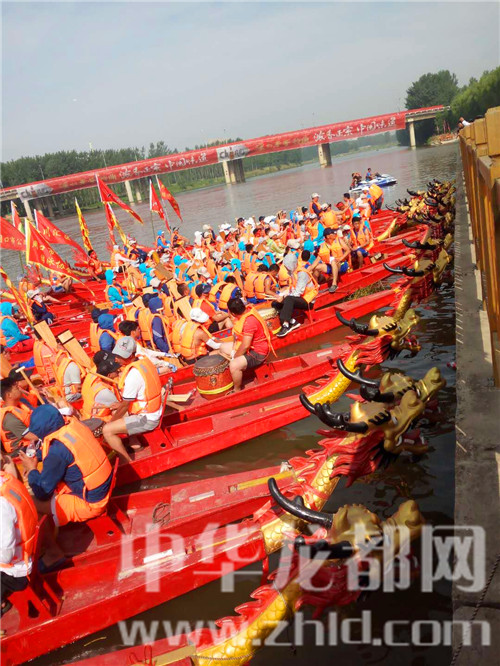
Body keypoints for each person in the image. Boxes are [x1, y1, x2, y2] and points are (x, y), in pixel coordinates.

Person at [18, 405, 113, 535]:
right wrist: (37, 458)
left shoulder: (57, 452)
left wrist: (32, 470)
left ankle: (52, 546)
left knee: (29, 503)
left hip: (93, 502)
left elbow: (43, 493)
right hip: (105, 485)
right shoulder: (74, 427)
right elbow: (58, 452)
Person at [102, 337, 164, 462]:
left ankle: (127, 463)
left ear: (131, 355)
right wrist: (119, 407)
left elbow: (125, 406)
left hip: (147, 419)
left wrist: (111, 422)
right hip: (153, 410)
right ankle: (135, 444)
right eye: (116, 355)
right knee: (117, 411)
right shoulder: (144, 362)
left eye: (120, 356)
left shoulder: (133, 375)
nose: (116, 359)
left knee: (107, 430)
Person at [0, 461, 38, 616]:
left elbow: (5, 555)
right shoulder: (7, 481)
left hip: (16, 572)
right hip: (25, 555)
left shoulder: (1, 505)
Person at [220, 298, 272, 391]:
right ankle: (237, 372)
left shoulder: (249, 322)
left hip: (258, 352)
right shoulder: (245, 313)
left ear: (233, 313)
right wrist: (234, 350)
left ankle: (237, 389)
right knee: (222, 348)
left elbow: (246, 345)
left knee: (234, 365)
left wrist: (235, 357)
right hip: (249, 347)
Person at [273, 253, 319, 337]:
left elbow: (298, 292)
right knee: (275, 303)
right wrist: (281, 295)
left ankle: (286, 325)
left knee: (288, 299)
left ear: (291, 265)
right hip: (299, 297)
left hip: (308, 300)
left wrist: (284, 297)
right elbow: (292, 289)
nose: (286, 268)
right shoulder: (292, 272)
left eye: (287, 266)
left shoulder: (302, 273)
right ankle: (292, 322)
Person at [0, 377, 38, 454]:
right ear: (9, 395)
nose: (20, 389)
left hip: (32, 441)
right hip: (22, 450)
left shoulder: (21, 404)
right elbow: (29, 436)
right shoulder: (9, 417)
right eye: (17, 388)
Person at [80, 355, 121, 422]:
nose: (118, 371)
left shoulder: (98, 381)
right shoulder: (105, 393)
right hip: (98, 421)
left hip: (87, 416)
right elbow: (120, 408)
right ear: (109, 375)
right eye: (116, 371)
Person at [316, 228, 351, 293]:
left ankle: (334, 284)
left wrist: (340, 259)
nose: (335, 234)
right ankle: (316, 287)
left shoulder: (339, 240)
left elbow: (348, 250)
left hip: (342, 264)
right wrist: (310, 268)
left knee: (333, 262)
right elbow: (318, 258)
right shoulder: (323, 245)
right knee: (316, 267)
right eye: (332, 233)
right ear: (328, 236)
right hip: (331, 266)